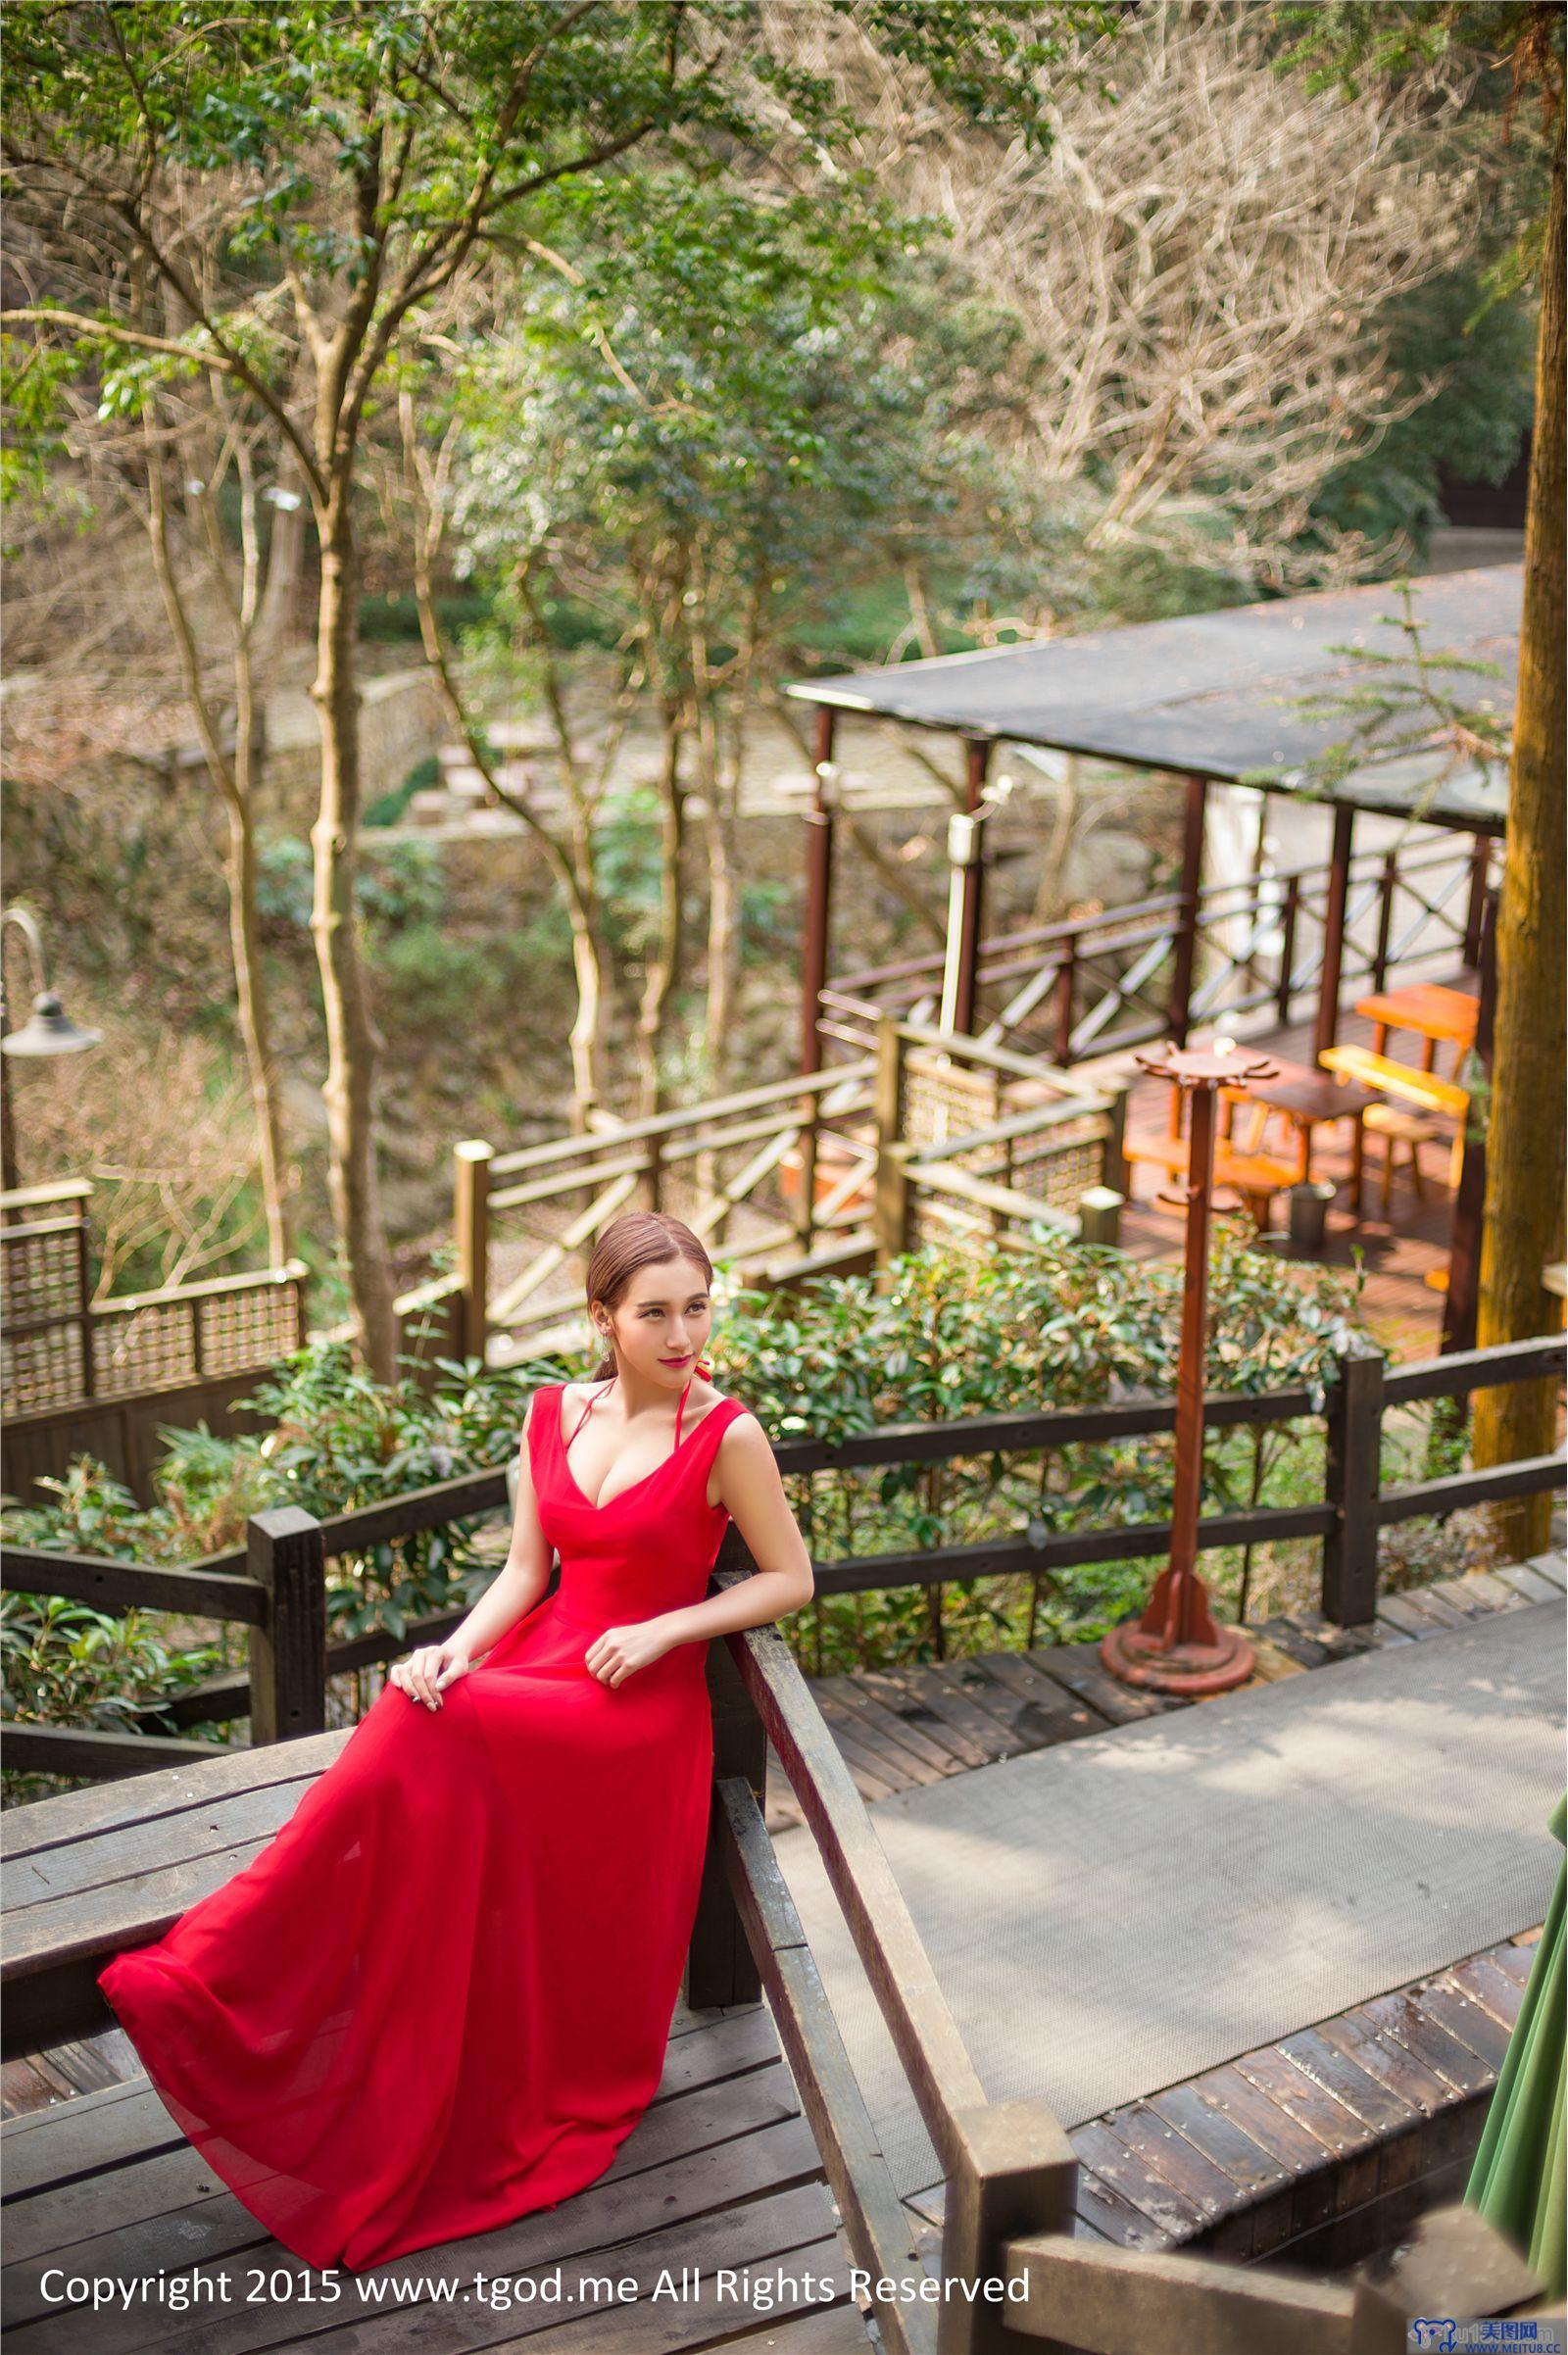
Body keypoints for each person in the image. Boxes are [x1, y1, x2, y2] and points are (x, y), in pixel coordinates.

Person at [97, 1210, 814, 2274]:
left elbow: (790, 1579)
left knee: (427, 1725)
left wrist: (669, 1624)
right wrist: (453, 1647)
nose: (681, 1334)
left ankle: (232, 1959)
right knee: (422, 1700)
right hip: (544, 1660)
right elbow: (527, 1575)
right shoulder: (551, 1415)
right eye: (653, 1312)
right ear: (602, 1318)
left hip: (632, 1712)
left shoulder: (727, 1434)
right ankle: (231, 1968)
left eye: (696, 1308)